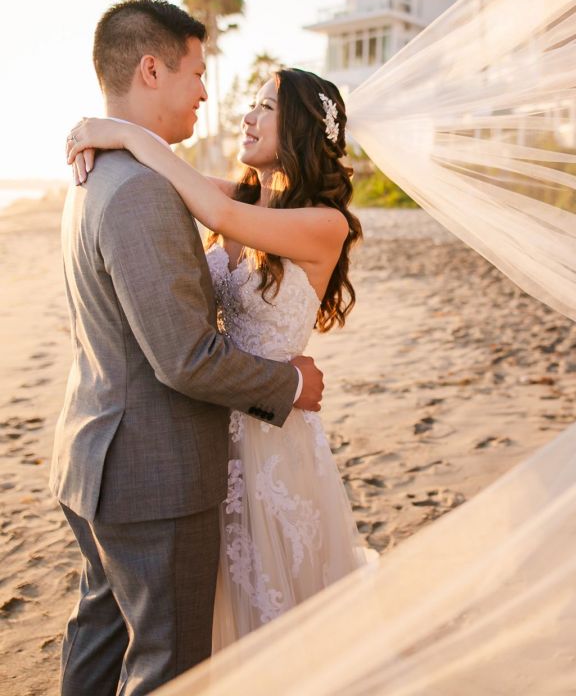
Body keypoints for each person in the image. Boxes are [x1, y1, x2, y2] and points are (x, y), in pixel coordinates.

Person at [52, 0, 324, 696]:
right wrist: (290, 386)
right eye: (197, 73)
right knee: (166, 665)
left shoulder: (98, 174)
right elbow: (183, 357)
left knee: (102, 638)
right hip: (152, 475)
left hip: (95, 455)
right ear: (151, 69)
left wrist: (116, 131)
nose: (209, 89)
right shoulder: (138, 188)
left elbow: (231, 203)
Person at [65, 68, 369, 649]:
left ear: (302, 127)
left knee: (273, 609)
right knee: (208, 612)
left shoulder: (324, 224)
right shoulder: (245, 197)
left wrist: (123, 132)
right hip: (208, 424)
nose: (248, 117)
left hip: (274, 438)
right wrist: (97, 135)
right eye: (251, 104)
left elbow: (217, 214)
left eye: (266, 107)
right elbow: (173, 184)